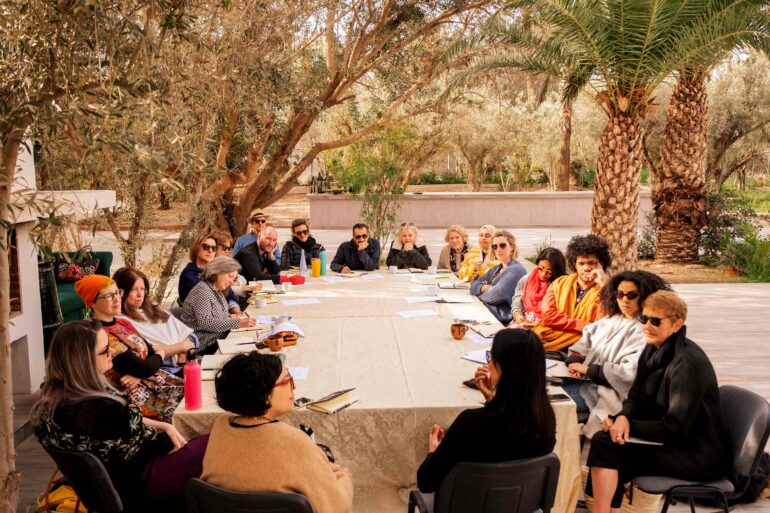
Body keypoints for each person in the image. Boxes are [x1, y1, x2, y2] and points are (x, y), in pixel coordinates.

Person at [32, 319, 208, 511]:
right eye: (104, 350)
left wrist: (165, 426)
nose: (113, 353)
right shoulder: (102, 409)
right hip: (139, 485)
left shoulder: (52, 401)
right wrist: (169, 435)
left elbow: (130, 429)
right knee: (217, 443)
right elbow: (154, 445)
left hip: (110, 486)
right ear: (82, 361)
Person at [586, 290, 728, 513]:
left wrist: (625, 426)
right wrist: (622, 418)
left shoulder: (687, 363)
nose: (647, 325)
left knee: (607, 446)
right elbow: (636, 396)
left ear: (677, 324)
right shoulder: (652, 348)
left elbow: (676, 426)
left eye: (655, 321)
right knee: (608, 441)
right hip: (673, 443)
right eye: (644, 318)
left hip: (696, 455)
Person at [202, 352, 354, 513]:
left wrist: (316, 470)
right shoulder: (294, 441)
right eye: (288, 380)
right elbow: (336, 507)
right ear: (265, 395)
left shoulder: (221, 428)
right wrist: (343, 477)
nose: (294, 387)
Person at [417, 329, 556, 496]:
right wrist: (492, 398)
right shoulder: (545, 418)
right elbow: (509, 434)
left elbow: (426, 482)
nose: (488, 364)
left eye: (492, 357)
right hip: (521, 503)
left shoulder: (472, 422)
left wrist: (433, 450)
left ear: (505, 368)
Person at [562, 271, 671, 437]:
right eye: (620, 294)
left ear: (646, 296)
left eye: (632, 295)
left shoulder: (646, 330)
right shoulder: (612, 319)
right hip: (584, 381)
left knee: (542, 402)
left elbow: (629, 373)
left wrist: (588, 370)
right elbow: (586, 339)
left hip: (607, 391)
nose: (625, 300)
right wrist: (574, 360)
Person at [75, 275, 184, 422]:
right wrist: (160, 354)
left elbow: (149, 351)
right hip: (138, 397)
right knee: (189, 411)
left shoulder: (121, 323)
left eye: (117, 292)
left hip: (156, 381)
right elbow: (144, 367)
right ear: (92, 303)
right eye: (109, 296)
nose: (117, 299)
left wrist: (146, 365)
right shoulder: (100, 334)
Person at [532, 234, 610, 354]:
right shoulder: (559, 283)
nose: (586, 268)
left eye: (591, 263)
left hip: (579, 348)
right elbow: (548, 315)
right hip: (547, 340)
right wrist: (584, 326)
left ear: (601, 264)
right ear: (575, 264)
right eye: (581, 263)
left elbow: (602, 325)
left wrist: (604, 285)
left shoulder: (605, 291)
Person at [113, 267, 198, 375]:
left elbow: (189, 335)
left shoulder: (153, 307)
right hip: (162, 371)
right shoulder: (121, 321)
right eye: (134, 289)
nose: (140, 294)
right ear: (121, 292)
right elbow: (147, 353)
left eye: (142, 289)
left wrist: (182, 350)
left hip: (185, 362)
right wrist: (182, 346)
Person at [181, 256, 257, 354]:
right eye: (230, 276)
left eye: (233, 279)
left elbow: (218, 316)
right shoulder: (202, 291)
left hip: (217, 338)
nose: (231, 282)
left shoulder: (218, 290)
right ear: (217, 271)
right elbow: (206, 322)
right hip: (203, 343)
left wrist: (230, 317)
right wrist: (237, 323)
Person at [470, 231, 527, 325]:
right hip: (488, 313)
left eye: (502, 245)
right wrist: (484, 287)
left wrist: (479, 292)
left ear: (512, 247)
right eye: (495, 246)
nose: (498, 249)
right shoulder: (496, 269)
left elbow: (494, 295)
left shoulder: (516, 270)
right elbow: (473, 285)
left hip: (503, 320)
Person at [511, 247, 567, 327]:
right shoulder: (526, 280)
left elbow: (561, 314)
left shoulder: (560, 285)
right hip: (524, 323)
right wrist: (517, 315)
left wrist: (540, 324)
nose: (543, 274)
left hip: (547, 328)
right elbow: (516, 302)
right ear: (537, 264)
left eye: (549, 272)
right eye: (541, 268)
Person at [178, 232, 217, 305]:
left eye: (214, 248)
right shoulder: (189, 274)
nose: (210, 250)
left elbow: (230, 294)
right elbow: (207, 294)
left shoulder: (214, 269)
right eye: (206, 247)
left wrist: (237, 312)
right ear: (196, 249)